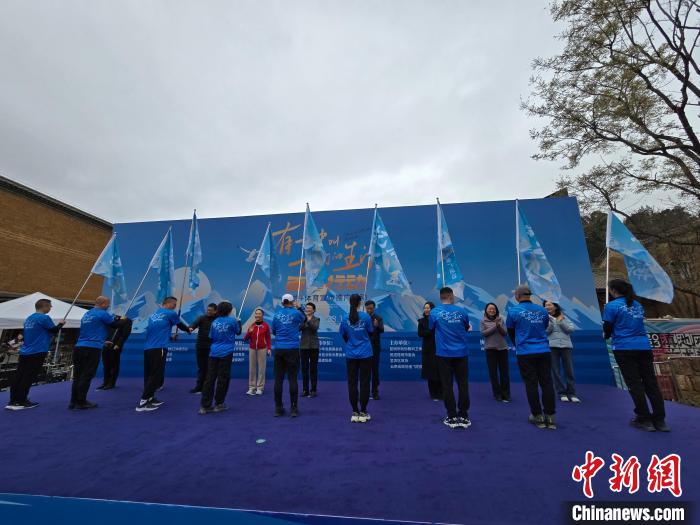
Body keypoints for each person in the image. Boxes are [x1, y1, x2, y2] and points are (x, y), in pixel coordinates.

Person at [604, 279, 669, 432]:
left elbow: (608, 326)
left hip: (624, 347)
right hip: (643, 347)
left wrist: (606, 335)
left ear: (613, 290)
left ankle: (644, 418)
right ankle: (660, 420)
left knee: (634, 384)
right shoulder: (637, 305)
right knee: (651, 382)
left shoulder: (611, 306)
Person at [506, 285, 555, 430]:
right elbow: (544, 326)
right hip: (543, 350)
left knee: (531, 384)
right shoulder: (542, 310)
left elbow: (510, 331)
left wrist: (518, 344)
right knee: (547, 382)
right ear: (529, 295)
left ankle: (537, 416)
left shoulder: (513, 311)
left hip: (525, 352)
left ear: (517, 296)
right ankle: (550, 416)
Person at [5, 298, 64, 410]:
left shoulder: (29, 318)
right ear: (44, 306)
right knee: (28, 376)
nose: (51, 308)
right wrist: (61, 324)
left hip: (25, 351)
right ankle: (21, 401)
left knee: (20, 375)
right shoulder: (44, 318)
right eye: (50, 306)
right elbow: (54, 330)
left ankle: (13, 400)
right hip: (37, 351)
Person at [71, 296, 129, 409]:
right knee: (87, 375)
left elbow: (91, 331)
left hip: (79, 347)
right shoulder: (102, 313)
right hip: (92, 349)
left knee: (77, 376)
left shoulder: (87, 314)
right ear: (103, 304)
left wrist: (102, 341)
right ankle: (81, 402)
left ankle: (73, 401)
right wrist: (124, 320)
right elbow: (115, 325)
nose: (108, 306)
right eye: (107, 304)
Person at [136, 296, 191, 412]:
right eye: (174, 304)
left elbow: (157, 332)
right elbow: (180, 325)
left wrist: (170, 337)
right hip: (159, 348)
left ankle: (150, 397)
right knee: (155, 375)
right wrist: (188, 330)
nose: (175, 306)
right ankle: (143, 402)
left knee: (149, 374)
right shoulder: (170, 313)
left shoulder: (154, 315)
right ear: (167, 303)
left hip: (148, 348)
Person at [429, 287, 471, 429]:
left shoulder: (434, 312)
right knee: (463, 384)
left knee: (447, 386)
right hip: (461, 353)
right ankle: (464, 416)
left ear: (440, 297)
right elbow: (466, 327)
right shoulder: (462, 311)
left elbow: (431, 328)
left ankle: (452, 416)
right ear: (451, 296)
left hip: (444, 354)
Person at [199, 301, 241, 414]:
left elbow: (211, 336)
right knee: (223, 378)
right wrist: (239, 321)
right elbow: (238, 332)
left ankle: (205, 406)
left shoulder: (215, 321)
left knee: (210, 378)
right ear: (229, 310)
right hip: (226, 353)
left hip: (213, 352)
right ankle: (219, 404)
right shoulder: (232, 321)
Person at [340, 294, 374, 423]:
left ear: (350, 303)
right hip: (365, 353)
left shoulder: (344, 318)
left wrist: (352, 342)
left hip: (351, 354)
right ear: (360, 303)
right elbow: (371, 332)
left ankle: (355, 412)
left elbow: (344, 335)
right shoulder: (366, 317)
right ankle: (363, 412)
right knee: (365, 383)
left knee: (352, 383)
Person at [271, 294, 305, 417]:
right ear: (292, 302)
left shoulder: (276, 314)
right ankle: (294, 408)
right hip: (292, 349)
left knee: (278, 379)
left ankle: (278, 408)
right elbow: (305, 319)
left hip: (279, 348)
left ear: (282, 302)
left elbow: (274, 331)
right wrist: (299, 307)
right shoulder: (296, 313)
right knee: (292, 379)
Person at [544, 300, 579, 403]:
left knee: (569, 370)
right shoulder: (544, 318)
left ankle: (572, 393)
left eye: (549, 305)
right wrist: (551, 323)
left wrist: (560, 321)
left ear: (555, 306)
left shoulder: (564, 317)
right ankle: (561, 392)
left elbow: (570, 330)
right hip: (552, 347)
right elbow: (546, 332)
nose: (547, 307)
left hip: (566, 346)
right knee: (555, 371)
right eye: (545, 305)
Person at [480, 302, 510, 403]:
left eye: (493, 309)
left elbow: (504, 333)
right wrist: (495, 326)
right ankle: (497, 394)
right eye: (490, 309)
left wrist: (499, 326)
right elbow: (484, 333)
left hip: (502, 349)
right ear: (486, 310)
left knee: (504, 372)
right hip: (490, 350)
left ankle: (506, 394)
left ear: (496, 310)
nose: (492, 310)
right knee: (493, 373)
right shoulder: (483, 321)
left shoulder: (501, 319)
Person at [189, 303, 217, 394]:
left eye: (210, 310)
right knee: (201, 368)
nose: (208, 312)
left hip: (212, 348)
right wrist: (190, 328)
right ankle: (199, 387)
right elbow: (193, 324)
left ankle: (207, 388)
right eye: (207, 310)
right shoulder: (201, 318)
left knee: (210, 369)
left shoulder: (218, 319)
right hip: (200, 347)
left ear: (215, 311)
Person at [98, 317, 133, 390]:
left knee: (114, 365)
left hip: (115, 346)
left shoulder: (127, 321)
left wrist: (118, 344)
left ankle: (111, 383)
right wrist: (104, 341)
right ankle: (105, 382)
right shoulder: (112, 319)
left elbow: (125, 334)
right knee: (106, 364)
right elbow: (106, 331)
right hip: (106, 344)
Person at [243, 307, 271, 395]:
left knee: (261, 369)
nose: (257, 315)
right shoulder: (252, 325)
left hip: (262, 349)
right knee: (252, 368)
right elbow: (245, 339)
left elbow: (268, 338)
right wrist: (249, 332)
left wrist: (269, 348)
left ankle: (260, 388)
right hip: (252, 349)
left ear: (262, 315)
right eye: (256, 314)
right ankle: (252, 387)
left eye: (259, 314)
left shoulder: (266, 326)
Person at [418, 301, 441, 401]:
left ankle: (441, 393)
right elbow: (420, 334)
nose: (426, 310)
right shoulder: (421, 321)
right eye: (425, 308)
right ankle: (433, 394)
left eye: (428, 308)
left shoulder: (438, 320)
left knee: (440, 371)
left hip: (439, 349)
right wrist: (430, 329)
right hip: (428, 350)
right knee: (430, 372)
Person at [364, 300, 384, 400]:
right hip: (364, 348)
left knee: (375, 370)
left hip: (375, 348)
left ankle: (375, 391)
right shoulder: (363, 318)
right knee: (365, 371)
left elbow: (382, 330)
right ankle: (365, 392)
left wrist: (377, 326)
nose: (369, 310)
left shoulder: (378, 318)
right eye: (367, 308)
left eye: (371, 308)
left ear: (374, 308)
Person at [299, 302, 320, 398]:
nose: (307, 309)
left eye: (309, 308)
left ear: (313, 310)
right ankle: (305, 390)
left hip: (314, 347)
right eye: (306, 308)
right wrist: (305, 320)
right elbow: (299, 328)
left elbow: (314, 328)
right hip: (304, 347)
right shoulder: (302, 319)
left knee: (313, 369)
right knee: (304, 369)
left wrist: (308, 320)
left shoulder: (317, 319)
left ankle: (313, 390)